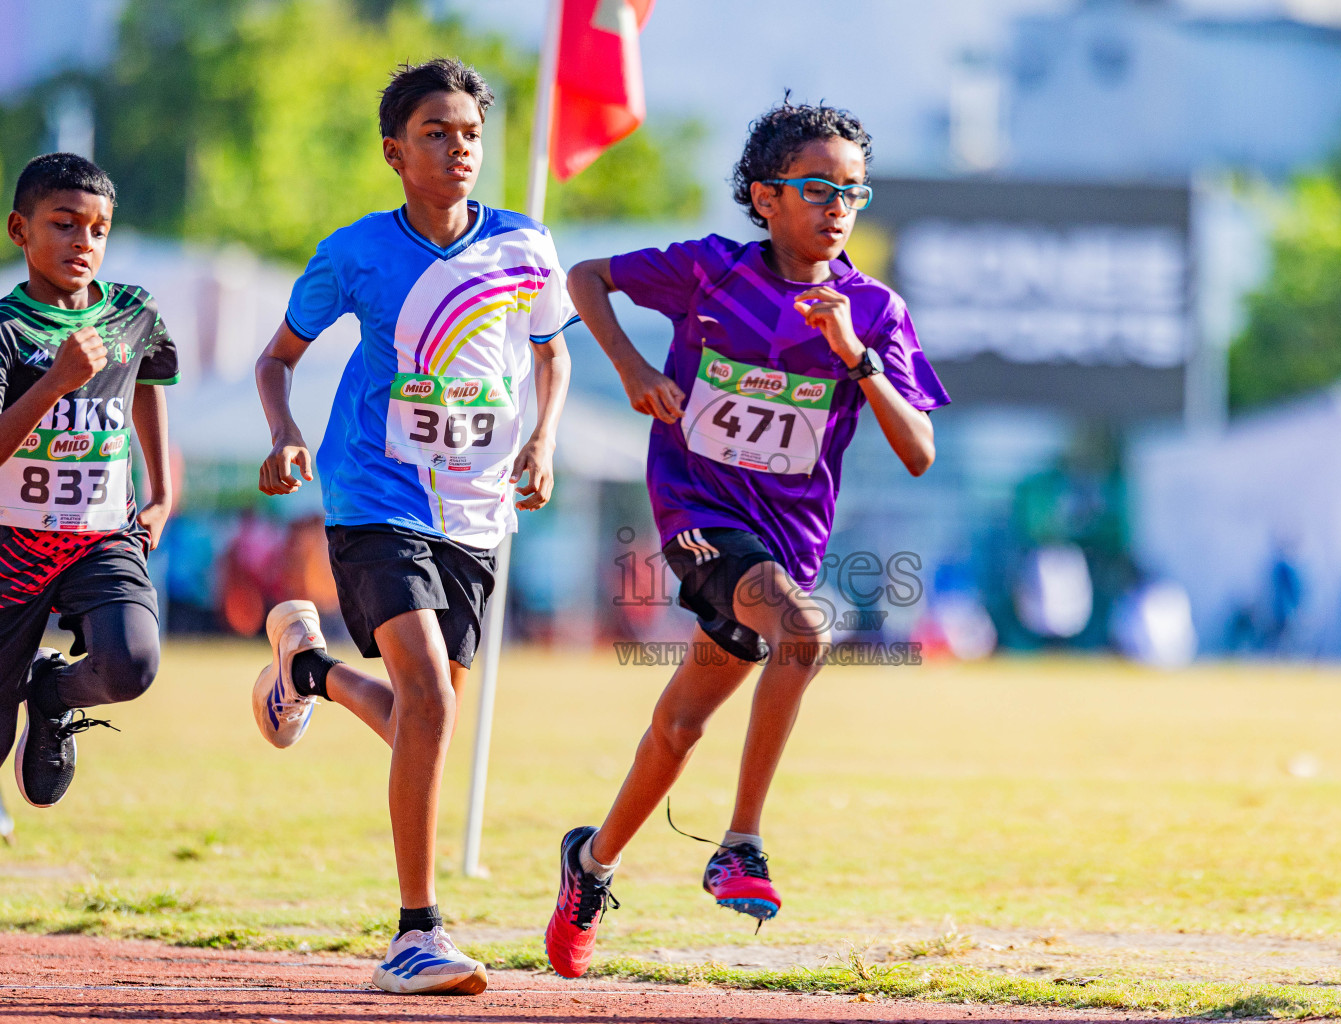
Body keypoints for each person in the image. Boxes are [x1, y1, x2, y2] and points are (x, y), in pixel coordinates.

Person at [544, 99, 950, 979]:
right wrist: (632, 367)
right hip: (697, 516)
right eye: (817, 188)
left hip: (784, 545)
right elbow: (584, 277)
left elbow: (919, 451)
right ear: (765, 198)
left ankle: (591, 864)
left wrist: (856, 357)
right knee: (805, 631)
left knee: (680, 727)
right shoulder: (709, 273)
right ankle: (740, 844)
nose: (838, 207)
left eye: (854, 192)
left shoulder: (874, 312)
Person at [251, 59, 574, 996]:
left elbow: (551, 357)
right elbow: (277, 360)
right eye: (437, 132)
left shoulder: (526, 246)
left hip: (478, 509)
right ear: (395, 151)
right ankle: (415, 931)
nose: (459, 147)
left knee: (419, 723)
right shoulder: (355, 252)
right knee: (429, 702)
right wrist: (285, 432)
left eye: (470, 132)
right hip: (374, 494)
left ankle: (306, 668)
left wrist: (544, 442)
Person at [0, 153, 176, 813]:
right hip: (10, 542)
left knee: (132, 666)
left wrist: (161, 492)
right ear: (21, 230)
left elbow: (150, 389)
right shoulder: (6, 331)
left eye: (98, 229)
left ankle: (51, 694)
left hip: (101, 536)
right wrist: (55, 382)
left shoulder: (134, 313)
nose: (84, 242)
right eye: (65, 224)